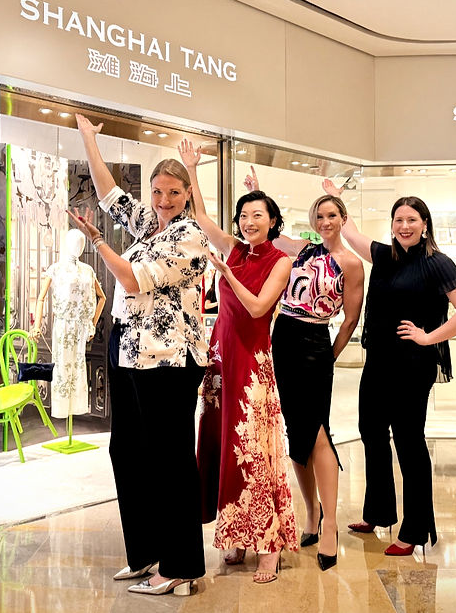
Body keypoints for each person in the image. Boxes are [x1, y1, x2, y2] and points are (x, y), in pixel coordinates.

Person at [66, 114, 209, 597]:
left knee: (170, 459)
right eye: (158, 192)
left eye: (173, 192)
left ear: (187, 193)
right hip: (129, 349)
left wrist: (100, 242)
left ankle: (183, 566)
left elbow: (130, 279)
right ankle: (146, 554)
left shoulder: (190, 235)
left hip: (169, 360)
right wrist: (89, 140)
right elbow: (110, 195)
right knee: (127, 451)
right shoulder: (151, 224)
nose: (164, 201)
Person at [322, 181, 456, 556]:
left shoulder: (436, 262)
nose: (404, 225)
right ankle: (378, 512)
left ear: (425, 223)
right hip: (378, 360)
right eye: (398, 219)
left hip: (412, 365)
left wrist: (429, 338)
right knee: (371, 432)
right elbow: (351, 231)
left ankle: (414, 529)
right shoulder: (384, 255)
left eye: (411, 219)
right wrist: (334, 194)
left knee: (409, 443)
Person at [178, 141, 297, 585]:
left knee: (255, 451)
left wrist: (225, 274)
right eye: (244, 216)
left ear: (272, 222)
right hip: (221, 359)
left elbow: (257, 309)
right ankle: (239, 533)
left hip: (253, 364)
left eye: (258, 216)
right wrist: (193, 169)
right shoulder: (232, 248)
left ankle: (269, 546)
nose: (249, 223)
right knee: (222, 448)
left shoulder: (280, 262)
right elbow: (205, 219)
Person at [246, 168, 365, 571]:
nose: (325, 222)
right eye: (320, 216)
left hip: (316, 343)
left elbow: (350, 318)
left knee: (316, 431)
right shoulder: (304, 250)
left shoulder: (350, 263)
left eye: (332, 215)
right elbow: (271, 232)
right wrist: (254, 192)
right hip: (283, 338)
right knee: (296, 431)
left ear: (343, 219)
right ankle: (310, 515)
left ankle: (329, 523)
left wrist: (330, 354)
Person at [31, 229, 106, 417]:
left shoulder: (87, 270)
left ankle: (78, 407)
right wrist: (36, 325)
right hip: (63, 325)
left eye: (81, 243)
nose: (78, 247)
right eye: (75, 242)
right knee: (62, 366)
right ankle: (62, 408)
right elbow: (40, 298)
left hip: (81, 327)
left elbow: (101, 297)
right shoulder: (56, 269)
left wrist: (92, 323)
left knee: (79, 367)